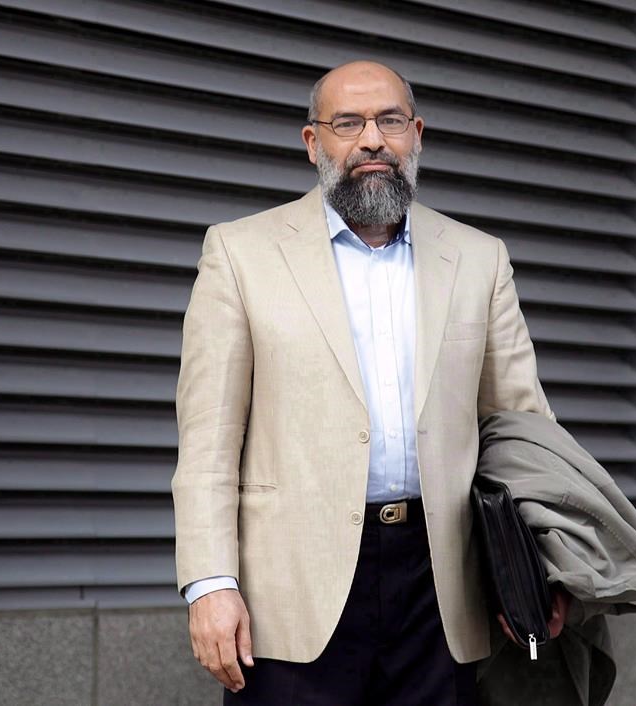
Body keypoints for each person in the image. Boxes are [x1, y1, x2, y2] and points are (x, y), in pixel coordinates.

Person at [172, 60, 570, 705]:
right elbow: (209, 440)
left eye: (389, 121)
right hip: (290, 593)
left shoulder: (478, 258)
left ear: (417, 134)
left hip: (442, 585)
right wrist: (210, 584)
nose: (371, 140)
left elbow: (523, 431)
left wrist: (547, 566)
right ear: (313, 143)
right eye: (347, 123)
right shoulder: (240, 254)